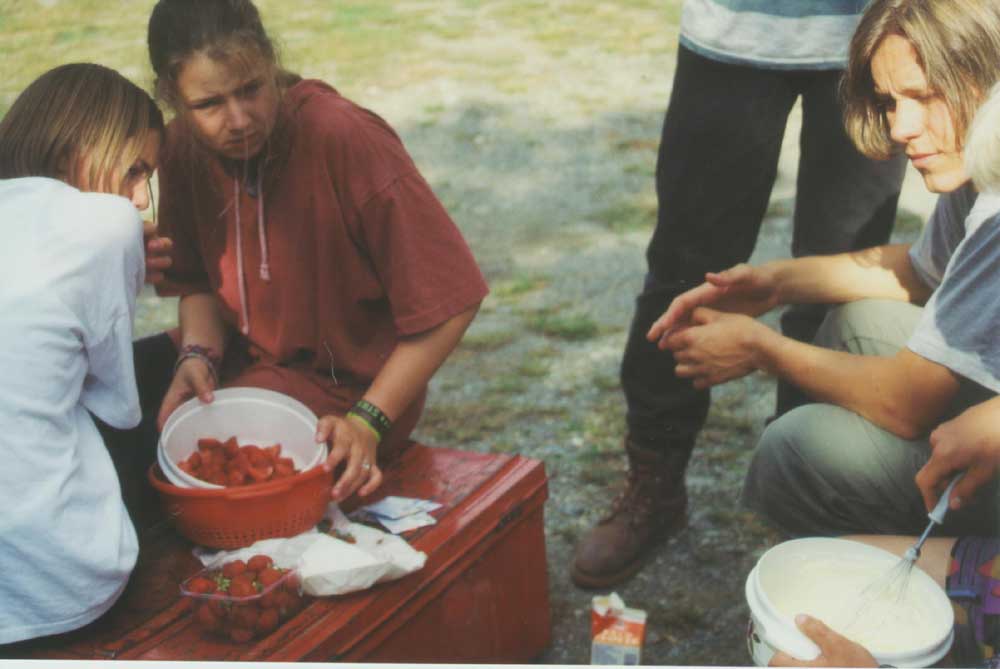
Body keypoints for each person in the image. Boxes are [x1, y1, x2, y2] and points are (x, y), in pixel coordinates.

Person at [571, 0, 907, 589]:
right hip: (733, 32)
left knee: (844, 279)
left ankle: (810, 507)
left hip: (878, 27)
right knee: (688, 270)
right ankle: (655, 480)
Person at [645, 0, 1000, 540]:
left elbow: (908, 403)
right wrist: (774, 283)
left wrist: (761, 349)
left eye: (924, 96)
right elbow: (920, 270)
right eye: (889, 102)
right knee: (859, 324)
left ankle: (954, 578)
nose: (902, 128)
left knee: (796, 449)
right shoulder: (980, 153)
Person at [130, 0, 487, 506]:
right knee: (98, 410)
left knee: (157, 476)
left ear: (271, 64)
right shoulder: (183, 145)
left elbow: (452, 300)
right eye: (209, 105)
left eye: (252, 89)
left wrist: (369, 420)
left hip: (351, 392)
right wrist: (197, 353)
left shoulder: (343, 136)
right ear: (173, 98)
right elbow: (198, 284)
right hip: (243, 358)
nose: (238, 120)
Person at [0, 63, 163, 644]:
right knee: (164, 368)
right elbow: (118, 404)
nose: (142, 200)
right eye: (136, 171)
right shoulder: (107, 219)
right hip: (61, 587)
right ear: (77, 150)